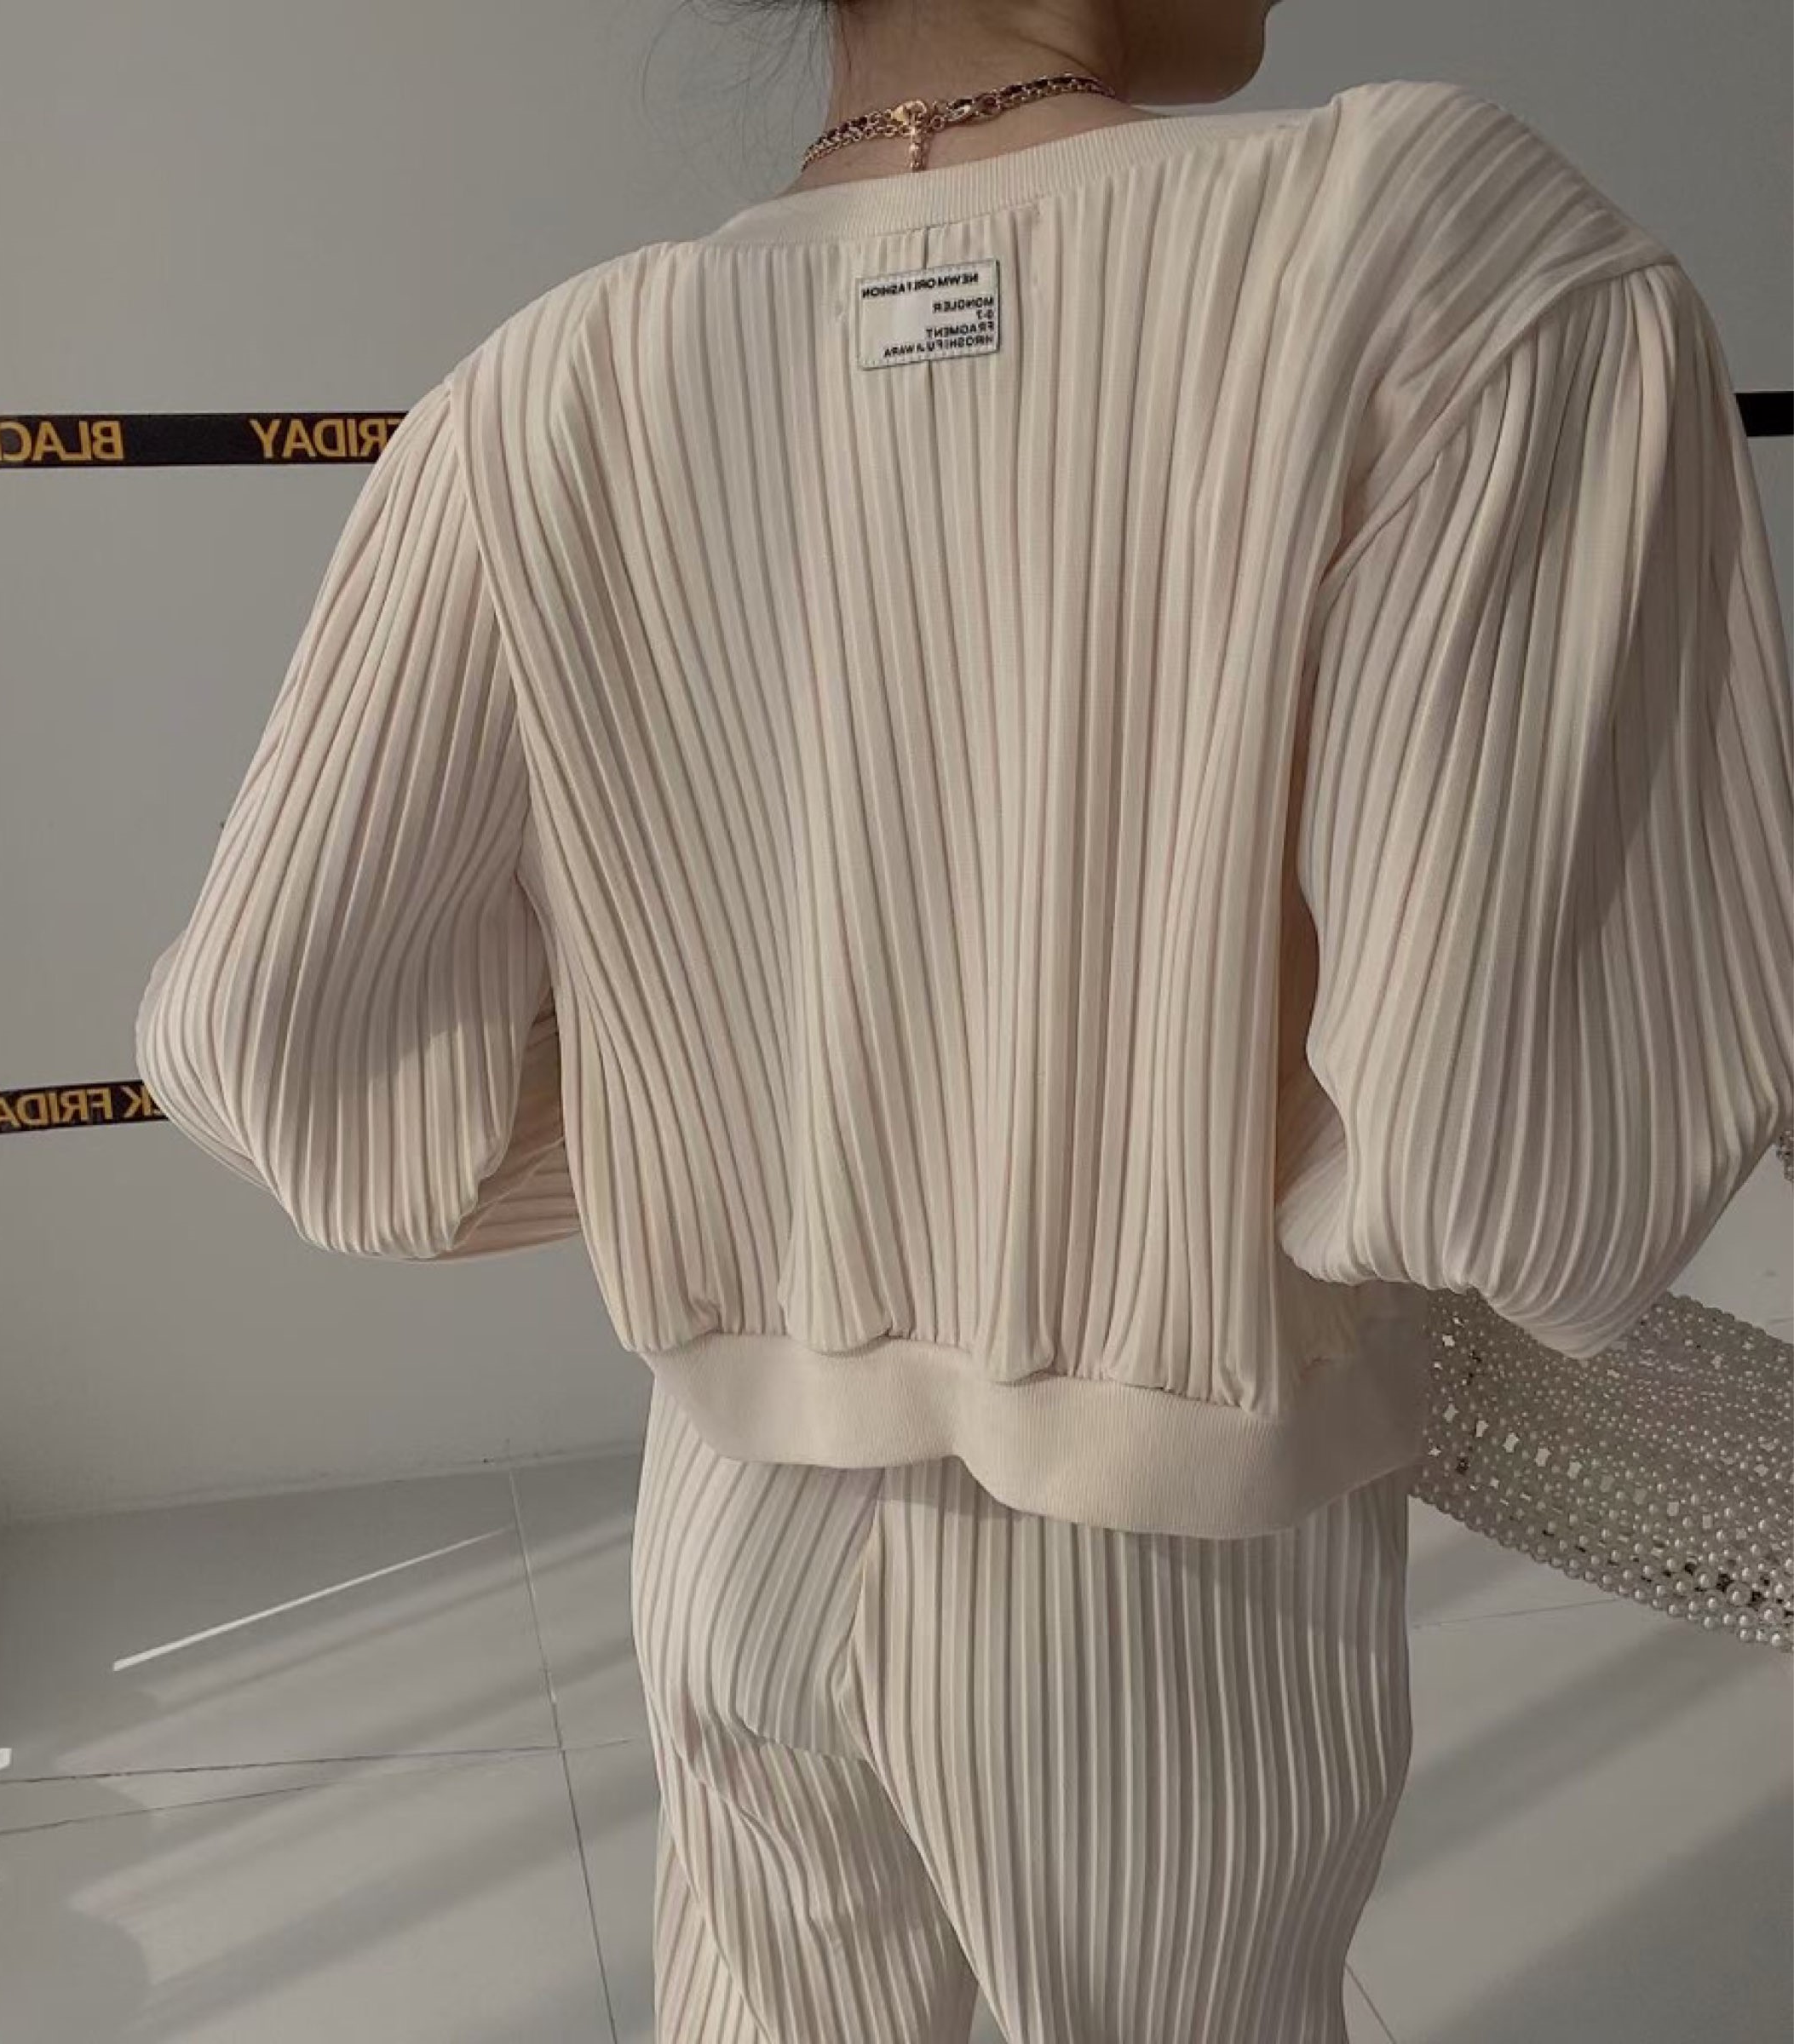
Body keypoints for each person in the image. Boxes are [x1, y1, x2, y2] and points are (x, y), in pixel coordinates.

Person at [132, 0, 1794, 2036]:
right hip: (1162, 1589)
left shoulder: (546, 390)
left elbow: (275, 1042)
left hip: (730, 1516)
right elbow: (1520, 1164)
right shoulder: (1432, 254)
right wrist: (1144, 1143)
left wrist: (753, 1137)